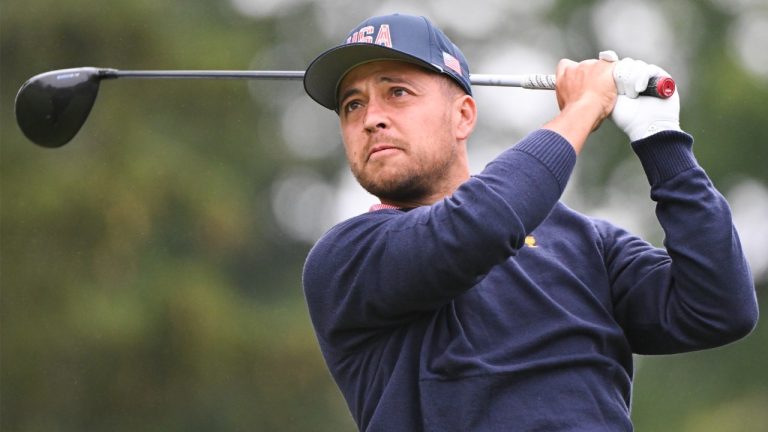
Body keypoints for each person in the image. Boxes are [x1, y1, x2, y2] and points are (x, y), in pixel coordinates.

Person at [300, 13, 758, 431]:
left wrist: (662, 141)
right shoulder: (345, 259)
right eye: (352, 106)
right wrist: (583, 108)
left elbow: (718, 307)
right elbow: (475, 228)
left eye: (396, 92)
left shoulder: (584, 241)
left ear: (463, 115)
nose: (371, 119)